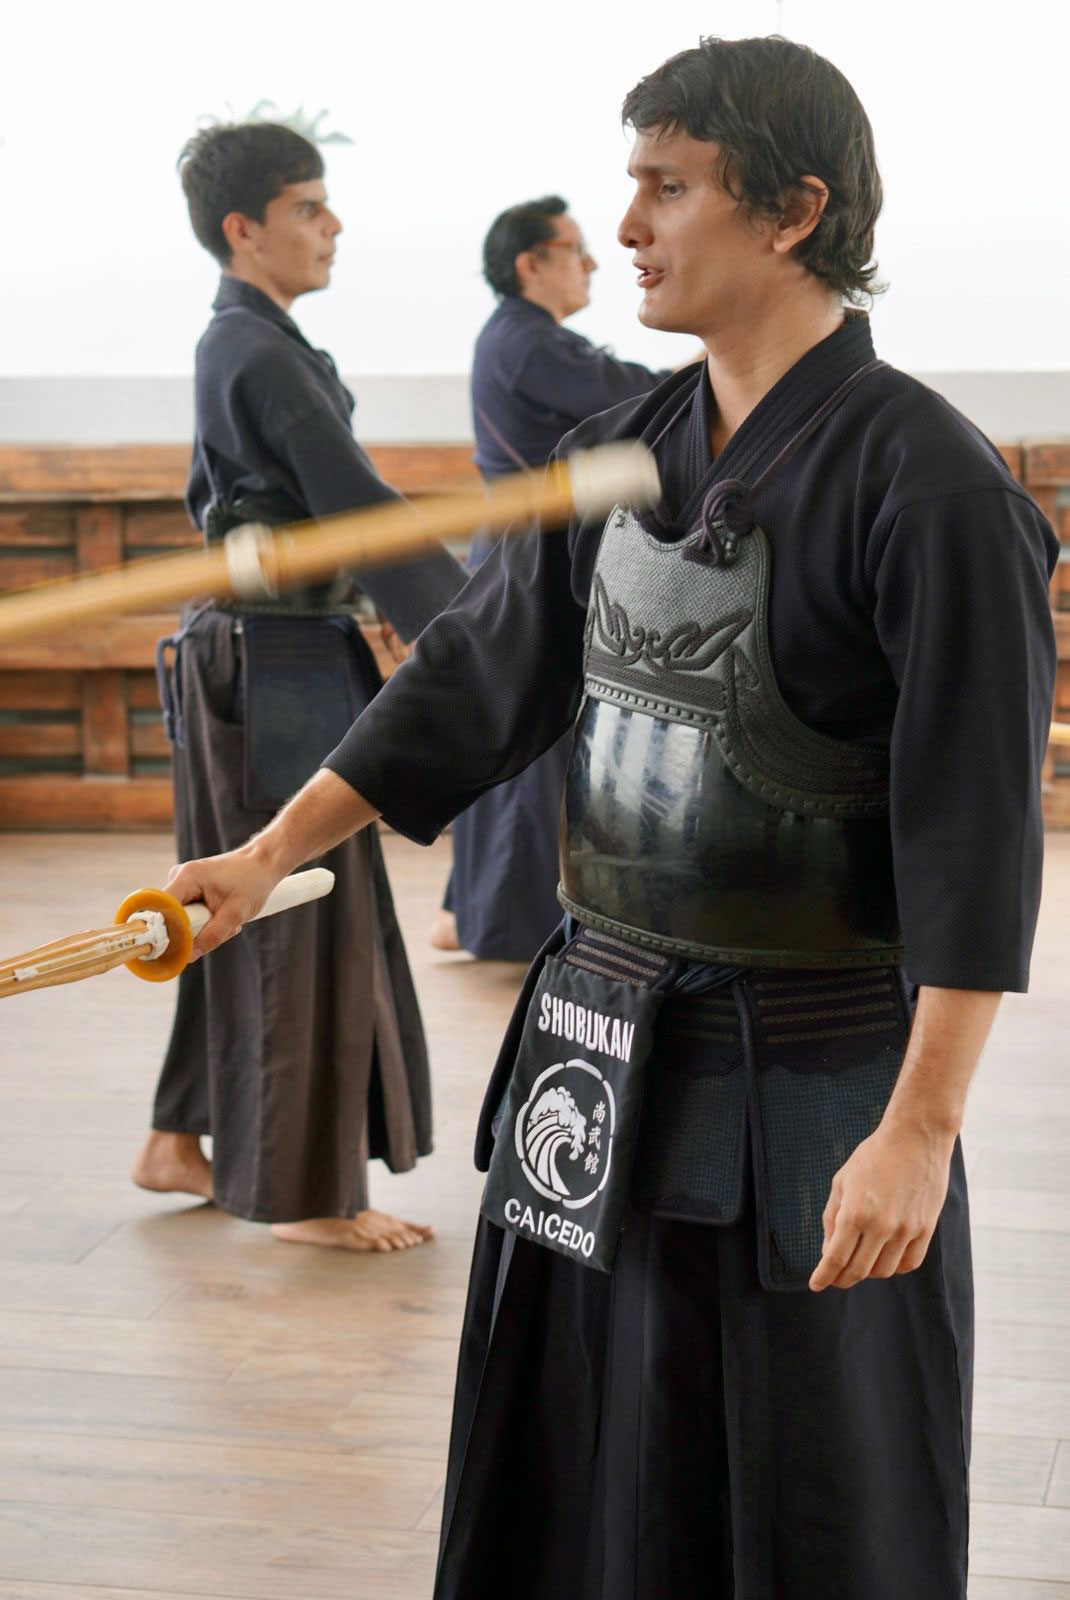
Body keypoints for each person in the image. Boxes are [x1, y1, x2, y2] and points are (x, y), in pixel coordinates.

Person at [162, 37, 1058, 1598]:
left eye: (667, 188)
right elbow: (462, 690)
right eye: (628, 188)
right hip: (590, 1047)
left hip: (811, 1080)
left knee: (808, 1489)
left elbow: (974, 837)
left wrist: (917, 1130)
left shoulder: (930, 489)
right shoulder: (612, 462)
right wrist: (260, 856)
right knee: (573, 1470)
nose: (629, 226)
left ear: (792, 209)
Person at [131, 121, 465, 1253]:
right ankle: (306, 1196)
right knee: (289, 901)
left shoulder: (253, 341)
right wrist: (466, 633)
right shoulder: (255, 350)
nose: (332, 227)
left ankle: (175, 1137)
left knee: (226, 901)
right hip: (268, 667)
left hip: (260, 654)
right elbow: (356, 504)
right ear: (245, 228)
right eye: (308, 209)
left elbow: (321, 517)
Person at [433, 195, 667, 961]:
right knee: (532, 742)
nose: (594, 262)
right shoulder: (528, 341)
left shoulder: (521, 338)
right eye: (575, 249)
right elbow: (629, 394)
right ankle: (508, 926)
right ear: (530, 263)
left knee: (516, 734)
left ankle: (476, 912)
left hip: (523, 549)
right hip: (528, 555)